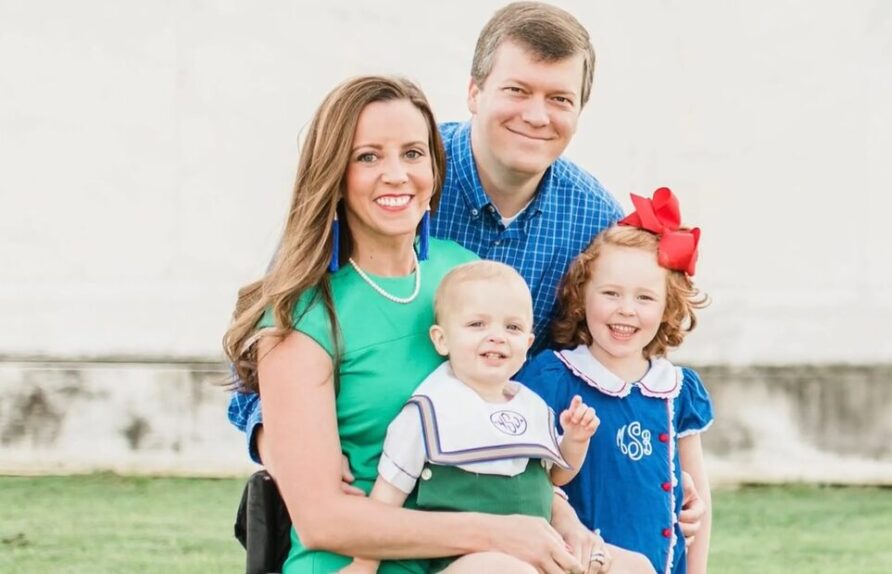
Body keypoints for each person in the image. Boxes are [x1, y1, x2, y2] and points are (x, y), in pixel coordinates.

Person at [229, 0, 708, 559]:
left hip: (512, 487)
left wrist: (650, 463)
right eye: (517, 90)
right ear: (474, 92)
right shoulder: (400, 176)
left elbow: (603, 365)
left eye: (559, 98)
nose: (536, 115)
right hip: (390, 514)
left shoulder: (589, 221)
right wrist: (289, 445)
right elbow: (264, 359)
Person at [224, 75, 592, 574]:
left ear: (435, 170)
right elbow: (322, 521)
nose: (396, 175)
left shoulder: (464, 273)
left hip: (475, 557)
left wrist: (563, 521)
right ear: (334, 174)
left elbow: (506, 429)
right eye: (368, 157)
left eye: (413, 154)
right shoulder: (301, 316)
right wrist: (495, 532)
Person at [342, 261, 660, 574]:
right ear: (441, 339)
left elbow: (555, 478)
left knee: (636, 566)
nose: (497, 336)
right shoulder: (430, 409)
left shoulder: (531, 405)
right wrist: (363, 565)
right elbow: (387, 495)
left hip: (542, 552)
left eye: (513, 328)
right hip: (467, 561)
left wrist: (575, 441)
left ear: (528, 344)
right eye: (477, 324)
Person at [518, 188, 714, 574]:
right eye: (610, 293)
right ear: (581, 295)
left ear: (668, 306)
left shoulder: (677, 389)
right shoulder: (553, 376)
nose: (626, 309)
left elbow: (698, 496)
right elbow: (526, 477)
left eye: (645, 298)